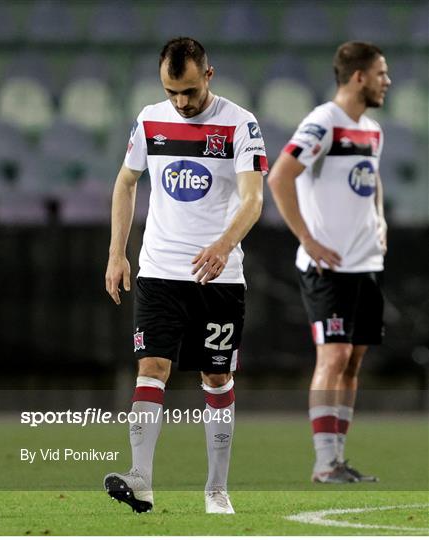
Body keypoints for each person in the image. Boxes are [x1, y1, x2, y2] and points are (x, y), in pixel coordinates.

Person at [103, 37, 267, 513]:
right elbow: (126, 181)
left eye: (190, 91)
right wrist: (118, 253)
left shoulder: (241, 124)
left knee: (216, 378)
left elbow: (254, 199)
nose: (181, 102)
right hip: (159, 272)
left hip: (218, 277)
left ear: (209, 76)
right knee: (151, 369)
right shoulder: (150, 119)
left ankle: (217, 489)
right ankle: (141, 479)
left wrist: (222, 245)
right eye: (172, 91)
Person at [268, 41, 391, 483]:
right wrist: (307, 238)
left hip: (365, 265)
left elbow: (372, 180)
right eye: (381, 73)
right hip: (328, 269)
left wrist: (379, 219)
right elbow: (280, 175)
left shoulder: (372, 130)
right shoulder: (324, 123)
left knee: (354, 360)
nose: (387, 81)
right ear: (358, 77)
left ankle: (337, 459)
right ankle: (323, 463)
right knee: (334, 355)